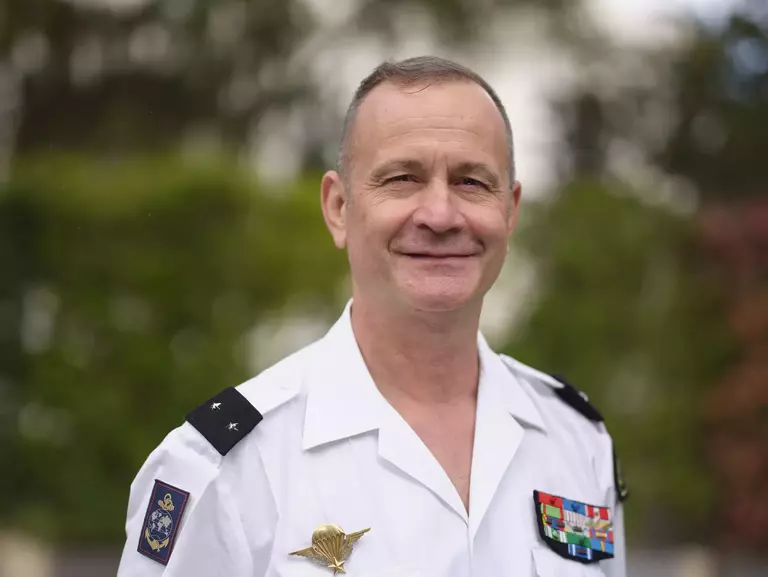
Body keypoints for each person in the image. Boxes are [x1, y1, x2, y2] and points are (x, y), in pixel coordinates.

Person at [117, 55, 628, 577]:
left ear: (511, 211)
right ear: (338, 208)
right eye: (402, 178)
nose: (440, 215)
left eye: (472, 182)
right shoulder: (224, 468)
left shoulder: (576, 441)